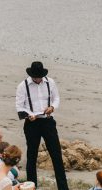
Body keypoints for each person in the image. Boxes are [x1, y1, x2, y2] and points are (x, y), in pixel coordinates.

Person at [15, 61, 69, 190]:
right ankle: (31, 186)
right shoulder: (23, 86)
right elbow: (19, 106)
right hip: (32, 124)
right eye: (35, 77)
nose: (37, 79)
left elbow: (56, 98)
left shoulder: (50, 82)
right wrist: (29, 115)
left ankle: (63, 188)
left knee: (56, 155)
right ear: (31, 75)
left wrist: (52, 107)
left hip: (48, 122)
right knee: (32, 156)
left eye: (39, 76)